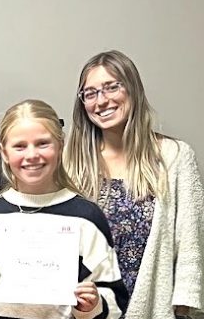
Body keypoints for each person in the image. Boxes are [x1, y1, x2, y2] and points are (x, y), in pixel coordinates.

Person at [0, 99, 129, 319]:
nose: (31, 155)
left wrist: (91, 306)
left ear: (60, 146)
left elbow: (116, 303)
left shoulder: (86, 218)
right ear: (4, 152)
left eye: (43, 143)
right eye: (20, 146)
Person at [64, 50, 204, 319]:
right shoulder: (72, 162)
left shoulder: (173, 156)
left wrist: (185, 303)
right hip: (88, 309)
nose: (101, 101)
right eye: (90, 93)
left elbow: (189, 242)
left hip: (153, 304)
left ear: (132, 89)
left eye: (111, 87)